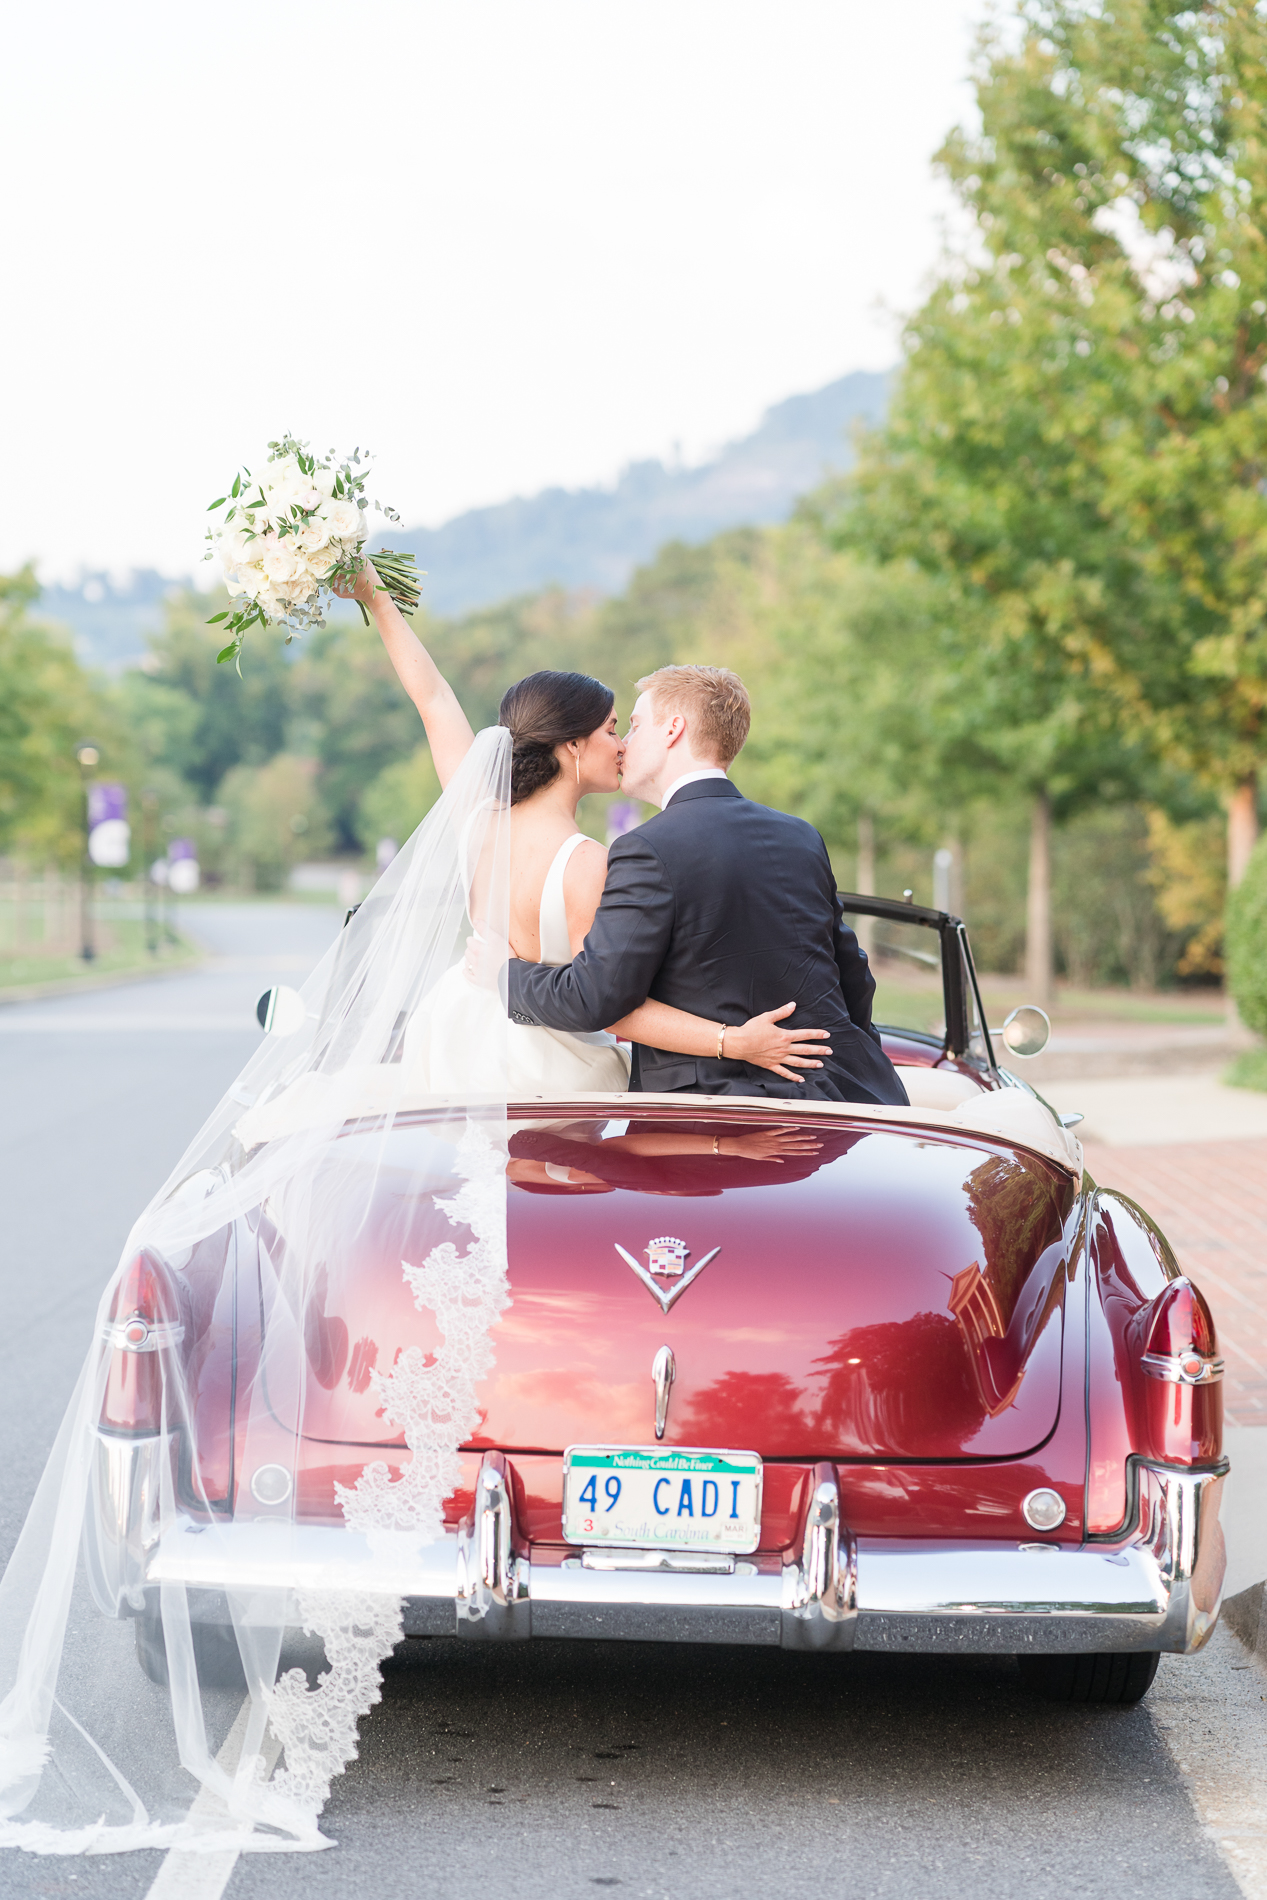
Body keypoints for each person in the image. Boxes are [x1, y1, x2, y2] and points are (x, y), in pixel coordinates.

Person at [345, 564, 832, 1094]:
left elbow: (434, 700)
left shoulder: (476, 818)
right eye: (612, 729)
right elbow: (610, 1006)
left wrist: (375, 598)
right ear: (573, 745)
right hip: (549, 1065)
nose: (622, 745)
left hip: (458, 1043)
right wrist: (731, 1041)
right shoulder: (587, 861)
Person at [506, 664, 909, 1106]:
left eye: (635, 726)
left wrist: (506, 976)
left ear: (673, 730)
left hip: (717, 1114)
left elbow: (596, 999)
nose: (624, 745)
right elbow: (853, 974)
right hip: (852, 1096)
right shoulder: (800, 834)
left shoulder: (646, 848)